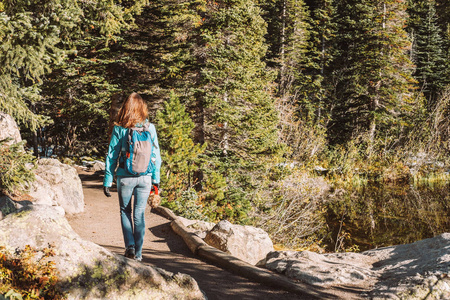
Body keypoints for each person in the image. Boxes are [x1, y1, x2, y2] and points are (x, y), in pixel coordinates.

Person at [103, 92, 161, 261]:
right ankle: (139, 254)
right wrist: (156, 181)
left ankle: (130, 246)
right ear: (143, 108)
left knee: (125, 211)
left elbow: (112, 155)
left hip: (125, 177)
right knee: (139, 215)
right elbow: (156, 156)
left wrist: (107, 179)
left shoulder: (119, 128)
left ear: (125, 108)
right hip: (146, 177)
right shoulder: (150, 128)